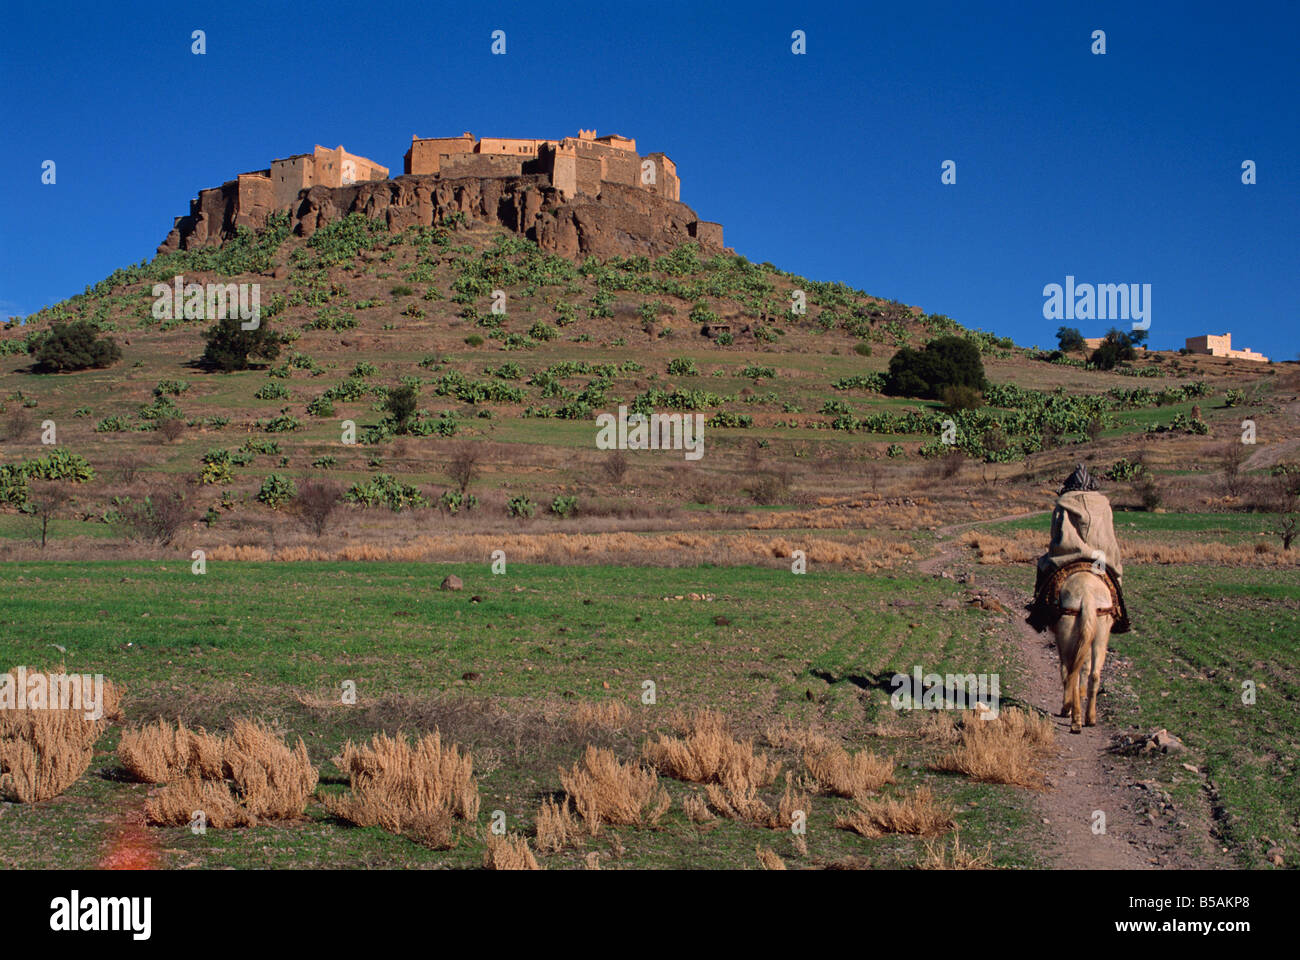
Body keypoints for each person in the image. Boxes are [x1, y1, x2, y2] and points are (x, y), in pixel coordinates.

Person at [1027, 462, 1131, 633]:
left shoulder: (1063, 503)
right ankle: (1120, 612)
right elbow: (1108, 536)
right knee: (1115, 579)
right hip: (1099, 558)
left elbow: (1055, 533)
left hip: (1067, 556)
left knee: (1042, 565)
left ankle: (1037, 607)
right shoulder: (1104, 504)